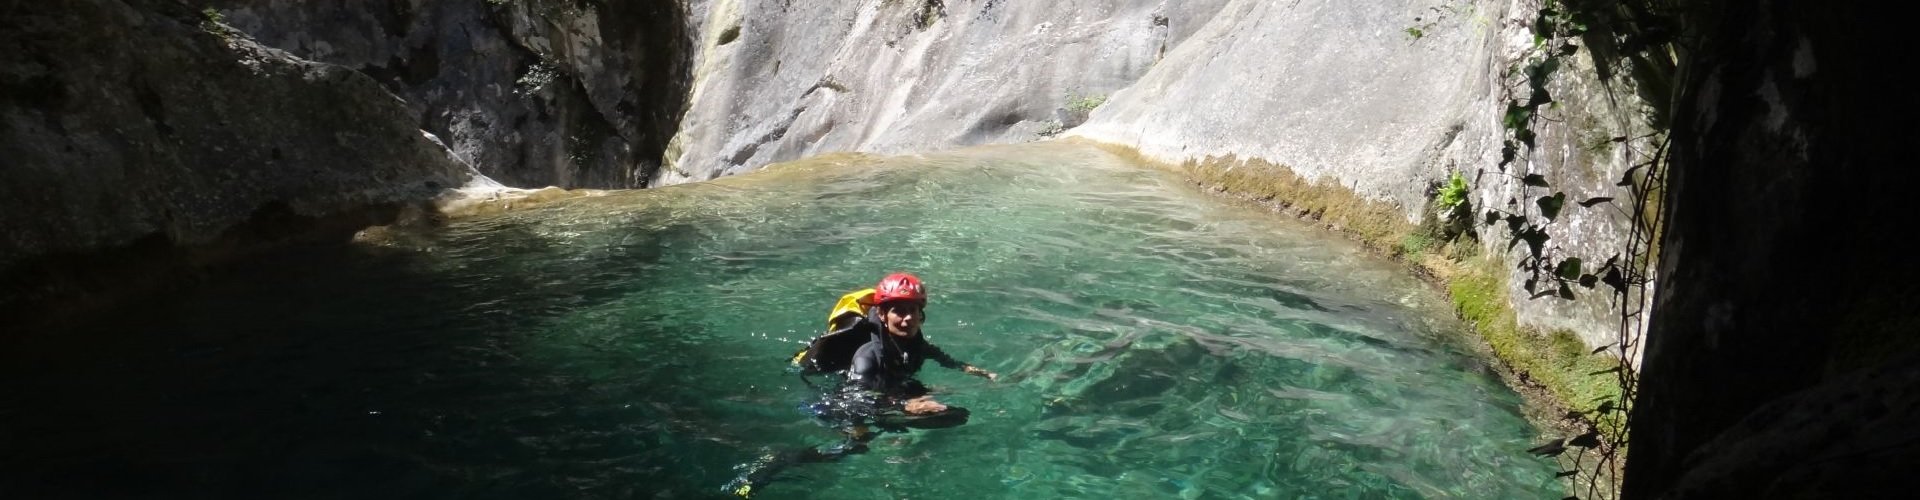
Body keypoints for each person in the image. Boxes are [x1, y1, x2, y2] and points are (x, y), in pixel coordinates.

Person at [726, 272, 997, 498]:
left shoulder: (912, 341)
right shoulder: (868, 354)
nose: (907, 319)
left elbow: (939, 355)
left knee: (955, 416)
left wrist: (975, 371)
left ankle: (902, 440)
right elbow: (856, 398)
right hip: (845, 404)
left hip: (889, 392)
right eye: (898, 311)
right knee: (856, 445)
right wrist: (905, 404)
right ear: (881, 313)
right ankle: (781, 461)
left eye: (912, 310)